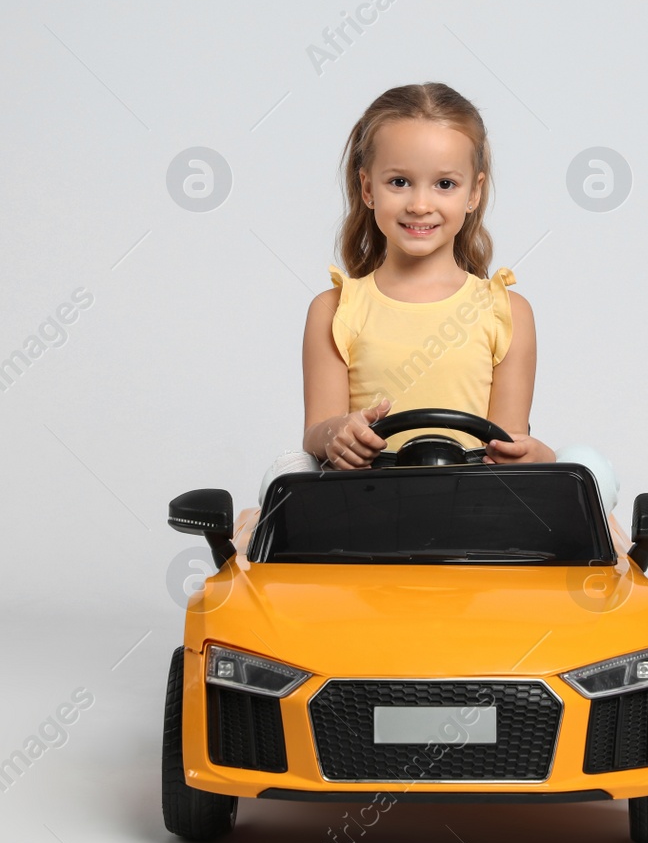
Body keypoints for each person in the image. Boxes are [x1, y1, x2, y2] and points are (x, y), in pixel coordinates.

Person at [255, 81, 619, 521]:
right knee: (287, 470)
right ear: (368, 189)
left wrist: (535, 457)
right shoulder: (335, 308)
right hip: (363, 505)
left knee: (587, 464)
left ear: (474, 193)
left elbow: (507, 443)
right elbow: (317, 431)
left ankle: (610, 560)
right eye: (400, 182)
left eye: (444, 183)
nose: (420, 203)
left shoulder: (507, 311)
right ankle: (259, 554)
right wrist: (337, 434)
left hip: (474, 507)